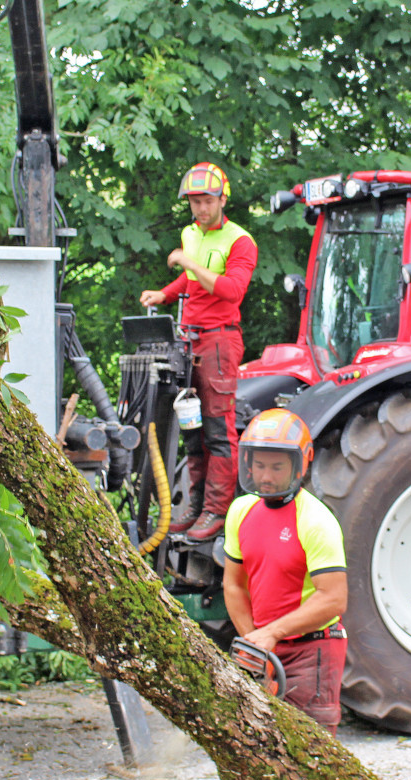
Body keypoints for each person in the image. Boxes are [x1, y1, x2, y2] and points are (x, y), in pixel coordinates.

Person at [221, 409, 347, 780]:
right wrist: (253, 639)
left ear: (301, 465)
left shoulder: (316, 520)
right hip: (264, 649)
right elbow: (233, 583)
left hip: (312, 654)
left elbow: (333, 599)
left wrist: (273, 635)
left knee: (297, 764)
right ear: (246, 465)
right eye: (259, 466)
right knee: (244, 754)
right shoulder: (241, 512)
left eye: (277, 467)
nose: (266, 476)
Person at [139, 161, 258, 542]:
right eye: (194, 202)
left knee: (217, 428)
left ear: (223, 199)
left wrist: (188, 261)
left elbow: (230, 290)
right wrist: (166, 293)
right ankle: (195, 504)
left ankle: (216, 510)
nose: (201, 209)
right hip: (189, 340)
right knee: (192, 426)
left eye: (207, 201)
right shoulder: (191, 233)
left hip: (220, 341)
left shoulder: (240, 241)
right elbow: (191, 279)